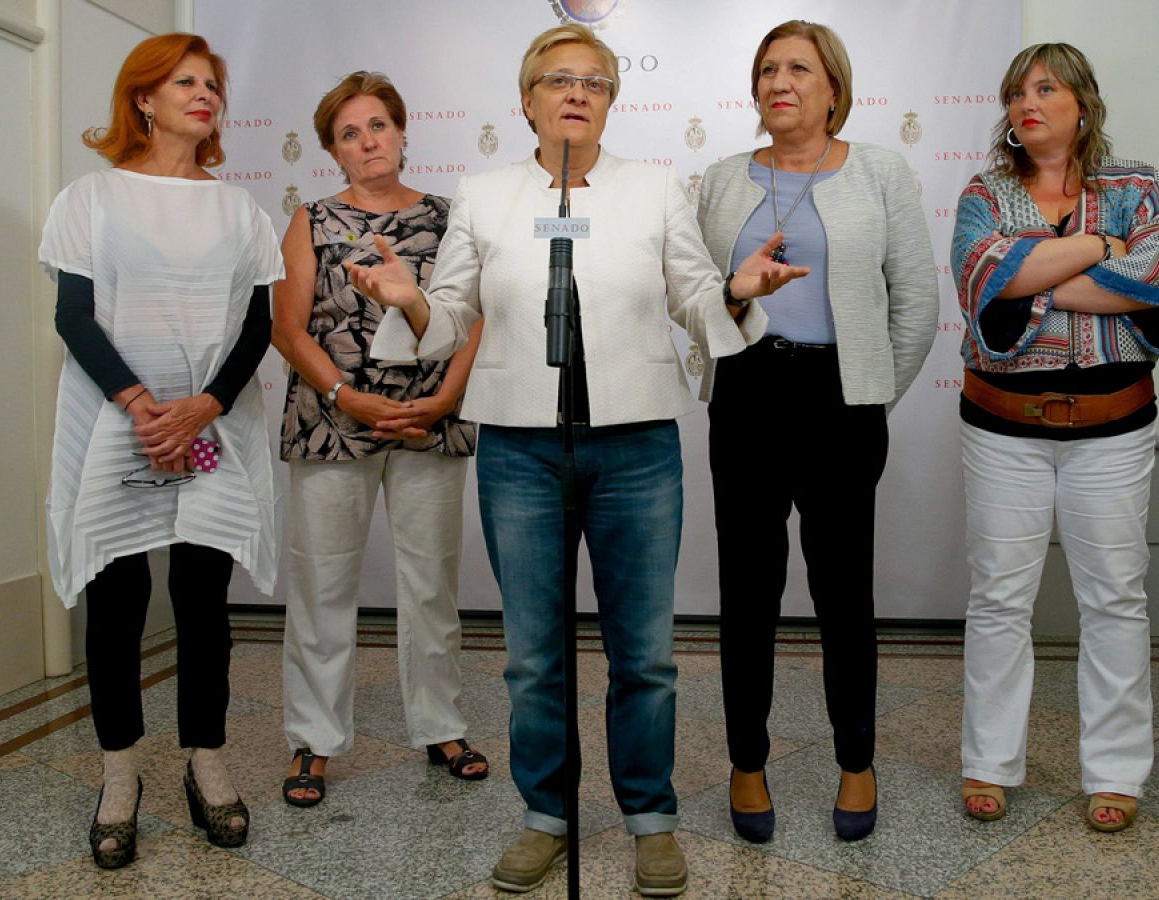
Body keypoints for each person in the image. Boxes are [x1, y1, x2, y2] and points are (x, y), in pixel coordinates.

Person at [346, 24, 807, 896]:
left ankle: (650, 816)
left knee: (645, 651)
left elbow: (694, 294)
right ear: (526, 101)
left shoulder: (654, 188)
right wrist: (409, 300)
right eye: (558, 79)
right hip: (520, 446)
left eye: (594, 81)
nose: (576, 92)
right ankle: (546, 814)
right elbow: (445, 318)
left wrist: (737, 292)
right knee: (533, 654)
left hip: (636, 445)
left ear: (610, 102)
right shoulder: (484, 195)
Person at [39, 33, 282, 867]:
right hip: (120, 421)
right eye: (185, 81)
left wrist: (204, 406)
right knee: (113, 600)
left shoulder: (240, 209)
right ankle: (119, 775)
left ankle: (205, 762)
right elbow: (75, 317)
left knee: (202, 598)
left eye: (213, 82)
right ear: (143, 98)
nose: (204, 93)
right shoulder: (91, 197)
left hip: (211, 422)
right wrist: (144, 407)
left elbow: (259, 324)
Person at [694, 19, 938, 843]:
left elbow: (915, 302)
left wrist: (869, 392)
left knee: (845, 595)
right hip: (749, 388)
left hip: (842, 398)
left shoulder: (880, 171)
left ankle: (857, 763)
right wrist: (732, 301)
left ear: (834, 86)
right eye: (766, 69)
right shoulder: (721, 180)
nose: (779, 82)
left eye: (798, 67)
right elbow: (699, 301)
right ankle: (747, 762)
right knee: (748, 593)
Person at [948, 42, 1159, 833]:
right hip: (1001, 427)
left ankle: (1117, 772)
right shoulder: (984, 192)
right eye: (1017, 90)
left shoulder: (1138, 187)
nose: (1028, 102)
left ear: (1081, 103)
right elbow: (979, 280)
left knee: (1117, 598)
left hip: (1113, 429)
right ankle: (989, 763)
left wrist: (1036, 275)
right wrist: (1098, 253)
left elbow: (1157, 282)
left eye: (1046, 88)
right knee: (999, 598)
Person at [273, 71, 488, 809]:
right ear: (334, 149)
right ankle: (313, 740)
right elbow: (288, 328)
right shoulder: (312, 220)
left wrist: (446, 396)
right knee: (322, 584)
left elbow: (476, 314)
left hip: (431, 416)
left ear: (401, 131)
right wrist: (347, 395)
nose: (368, 141)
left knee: (431, 584)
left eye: (378, 126)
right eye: (350, 133)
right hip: (332, 420)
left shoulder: (450, 217)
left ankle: (440, 725)